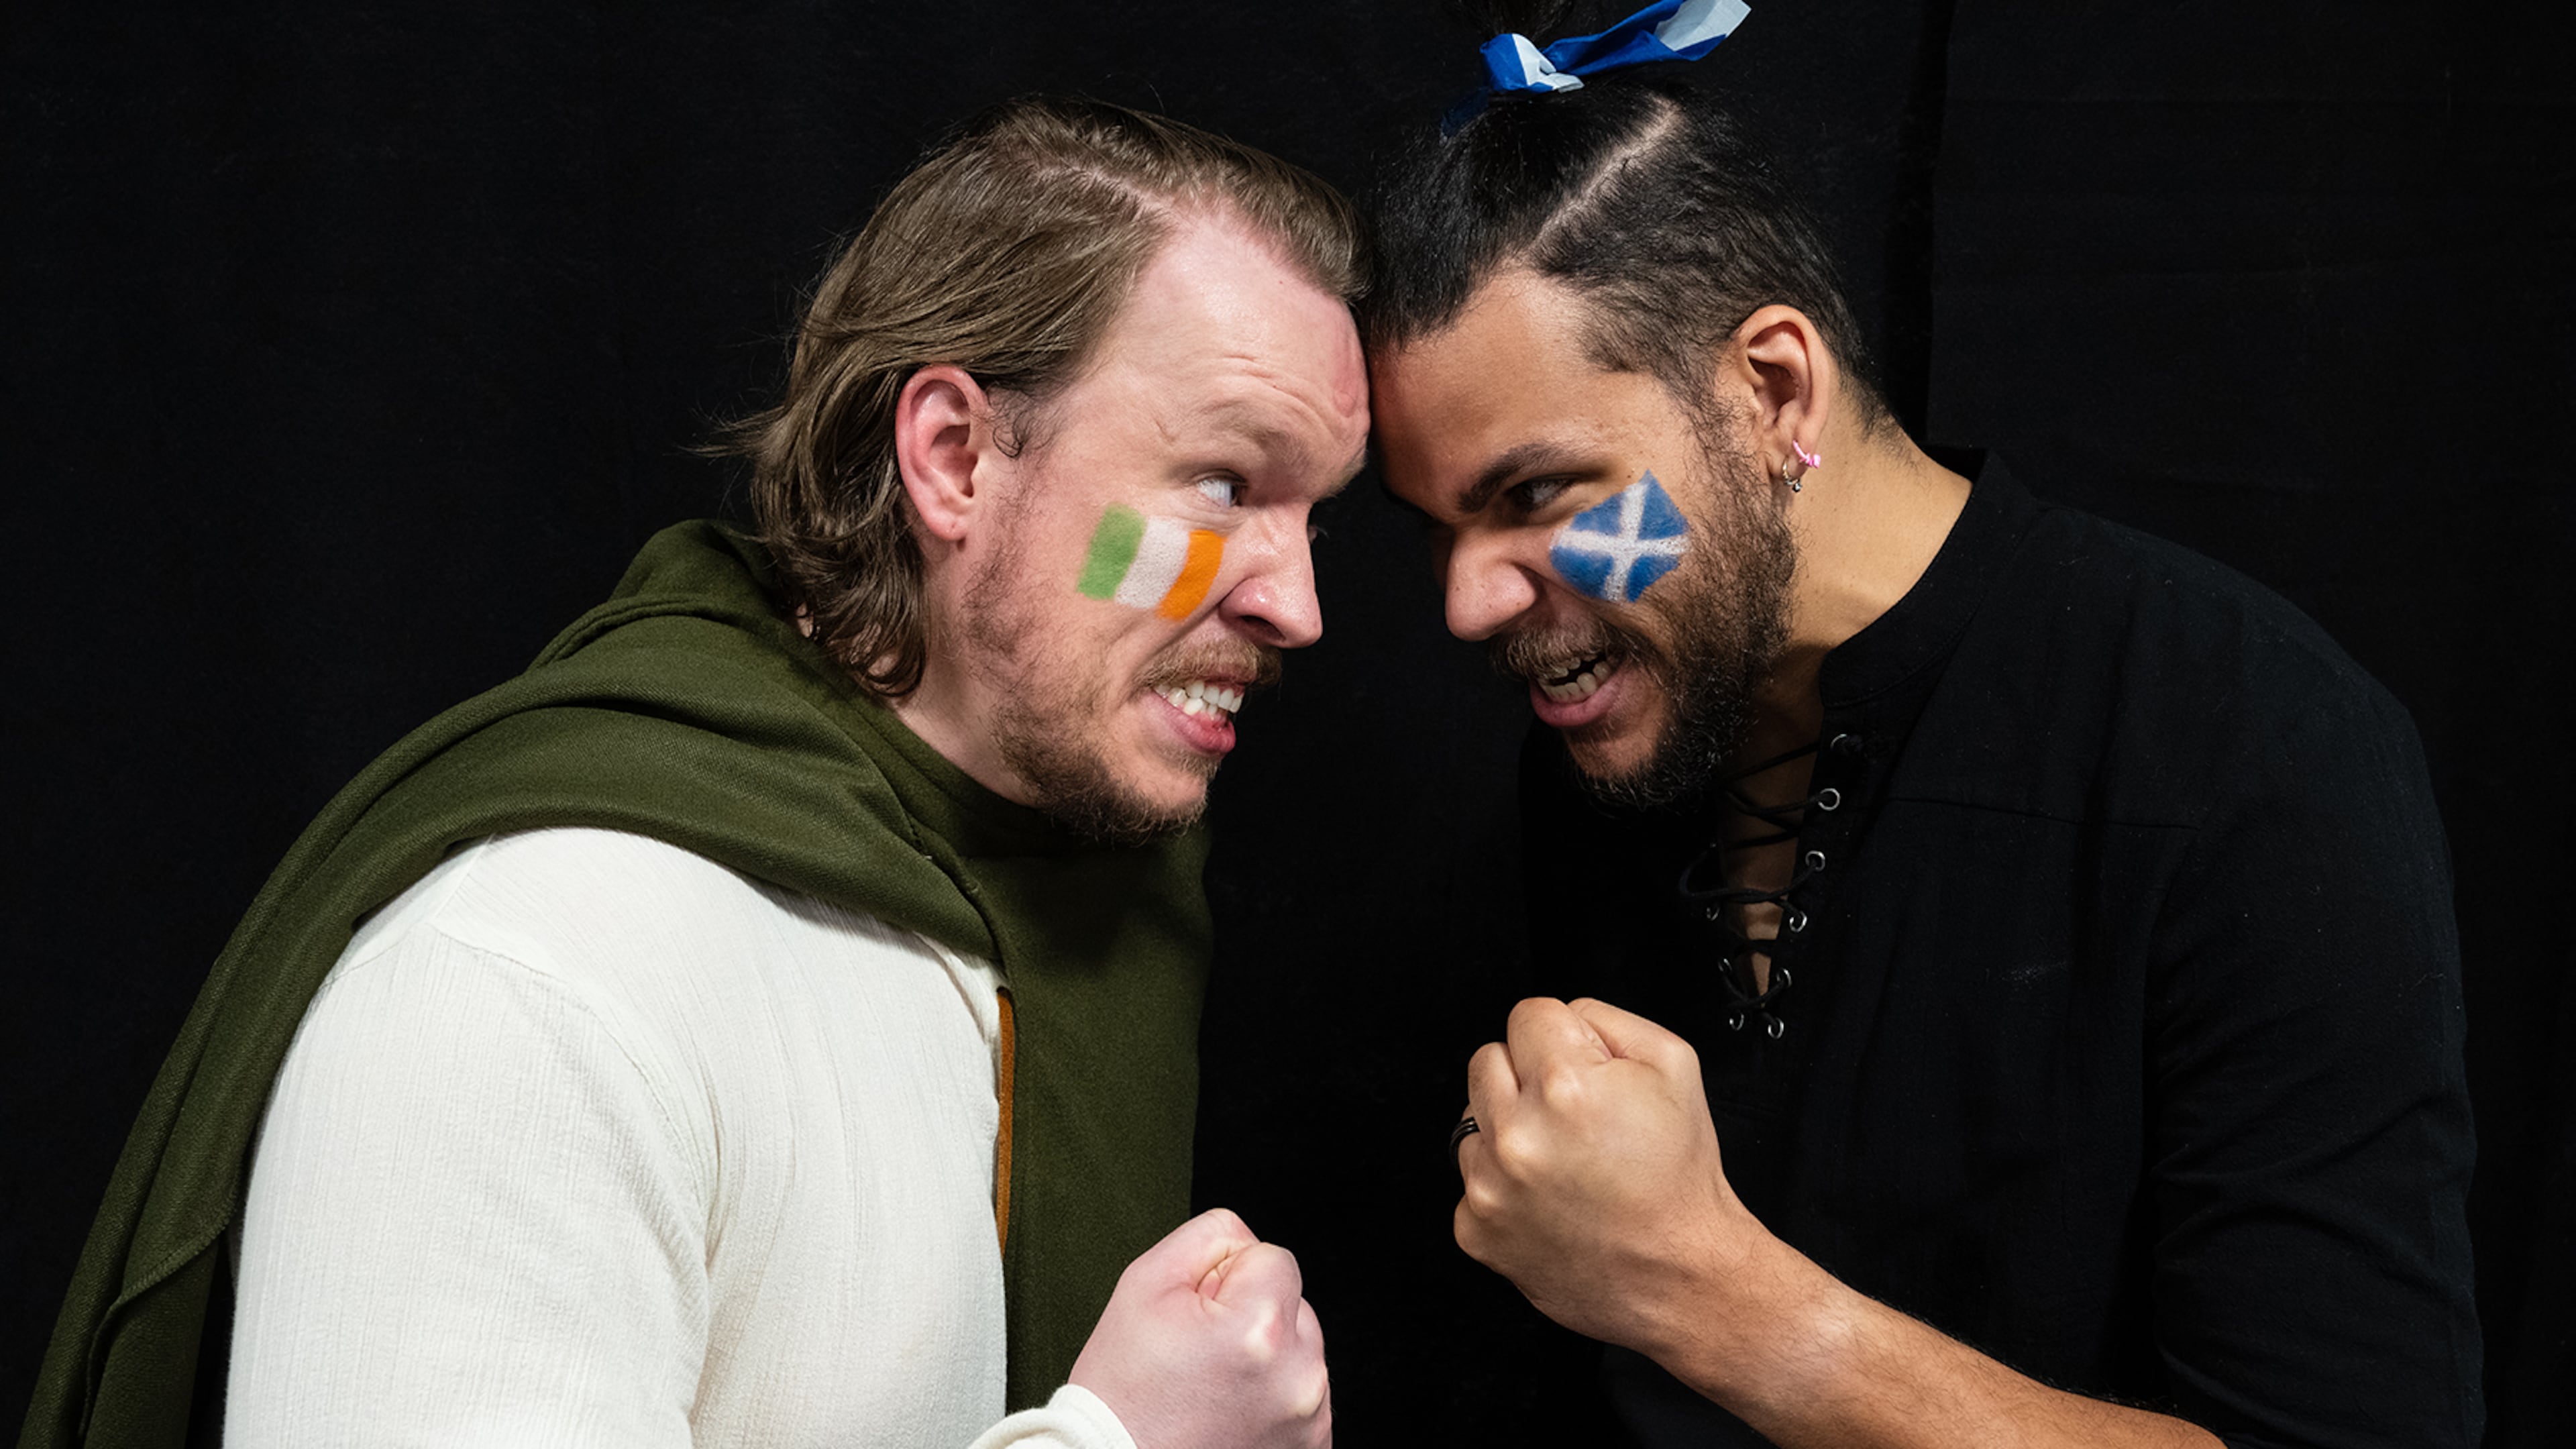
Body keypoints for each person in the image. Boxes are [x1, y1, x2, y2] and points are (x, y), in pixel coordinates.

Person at [24, 97, 1364, 1449]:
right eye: (1224, 483)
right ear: (954, 459)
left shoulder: (1100, 911)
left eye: (1315, 516)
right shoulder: (530, 981)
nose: (1299, 607)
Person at [1360, 5, 2482, 1446]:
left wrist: (1700, 1285)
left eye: (1535, 495)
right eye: (1438, 525)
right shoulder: (1618, 736)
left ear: (1772, 391)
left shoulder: (2252, 747)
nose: (1466, 602)